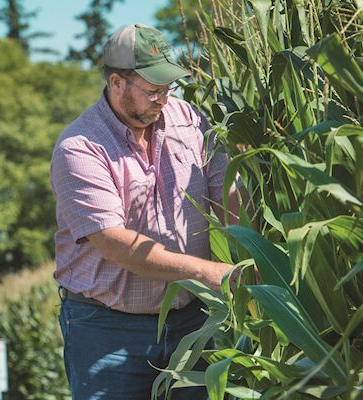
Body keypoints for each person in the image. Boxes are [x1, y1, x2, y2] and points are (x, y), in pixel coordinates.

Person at [50, 23, 244, 400]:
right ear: (116, 84)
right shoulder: (80, 148)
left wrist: (251, 255)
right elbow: (115, 243)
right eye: (153, 90)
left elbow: (228, 196)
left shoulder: (190, 121)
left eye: (168, 88)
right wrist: (207, 272)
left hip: (194, 319)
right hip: (106, 328)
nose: (163, 100)